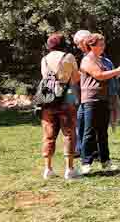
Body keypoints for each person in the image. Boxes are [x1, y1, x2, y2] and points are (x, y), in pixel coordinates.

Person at [79, 33, 120, 174]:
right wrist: (118, 70)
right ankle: (85, 163)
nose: (103, 47)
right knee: (89, 132)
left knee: (102, 132)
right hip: (91, 99)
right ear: (91, 46)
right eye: (100, 44)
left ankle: (105, 161)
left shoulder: (103, 60)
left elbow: (111, 76)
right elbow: (99, 75)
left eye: (103, 44)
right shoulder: (87, 60)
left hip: (104, 98)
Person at [38, 33, 82, 180]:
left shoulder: (44, 59)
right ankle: (69, 169)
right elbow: (75, 78)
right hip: (66, 97)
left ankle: (48, 168)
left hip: (48, 99)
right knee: (69, 133)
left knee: (48, 134)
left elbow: (45, 77)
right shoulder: (68, 57)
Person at [72, 29, 91, 158]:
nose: (78, 47)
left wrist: (72, 73)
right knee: (80, 121)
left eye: (79, 43)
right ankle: (80, 150)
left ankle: (84, 151)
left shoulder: (93, 55)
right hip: (84, 94)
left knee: (84, 123)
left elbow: (89, 74)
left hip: (90, 95)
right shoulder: (86, 56)